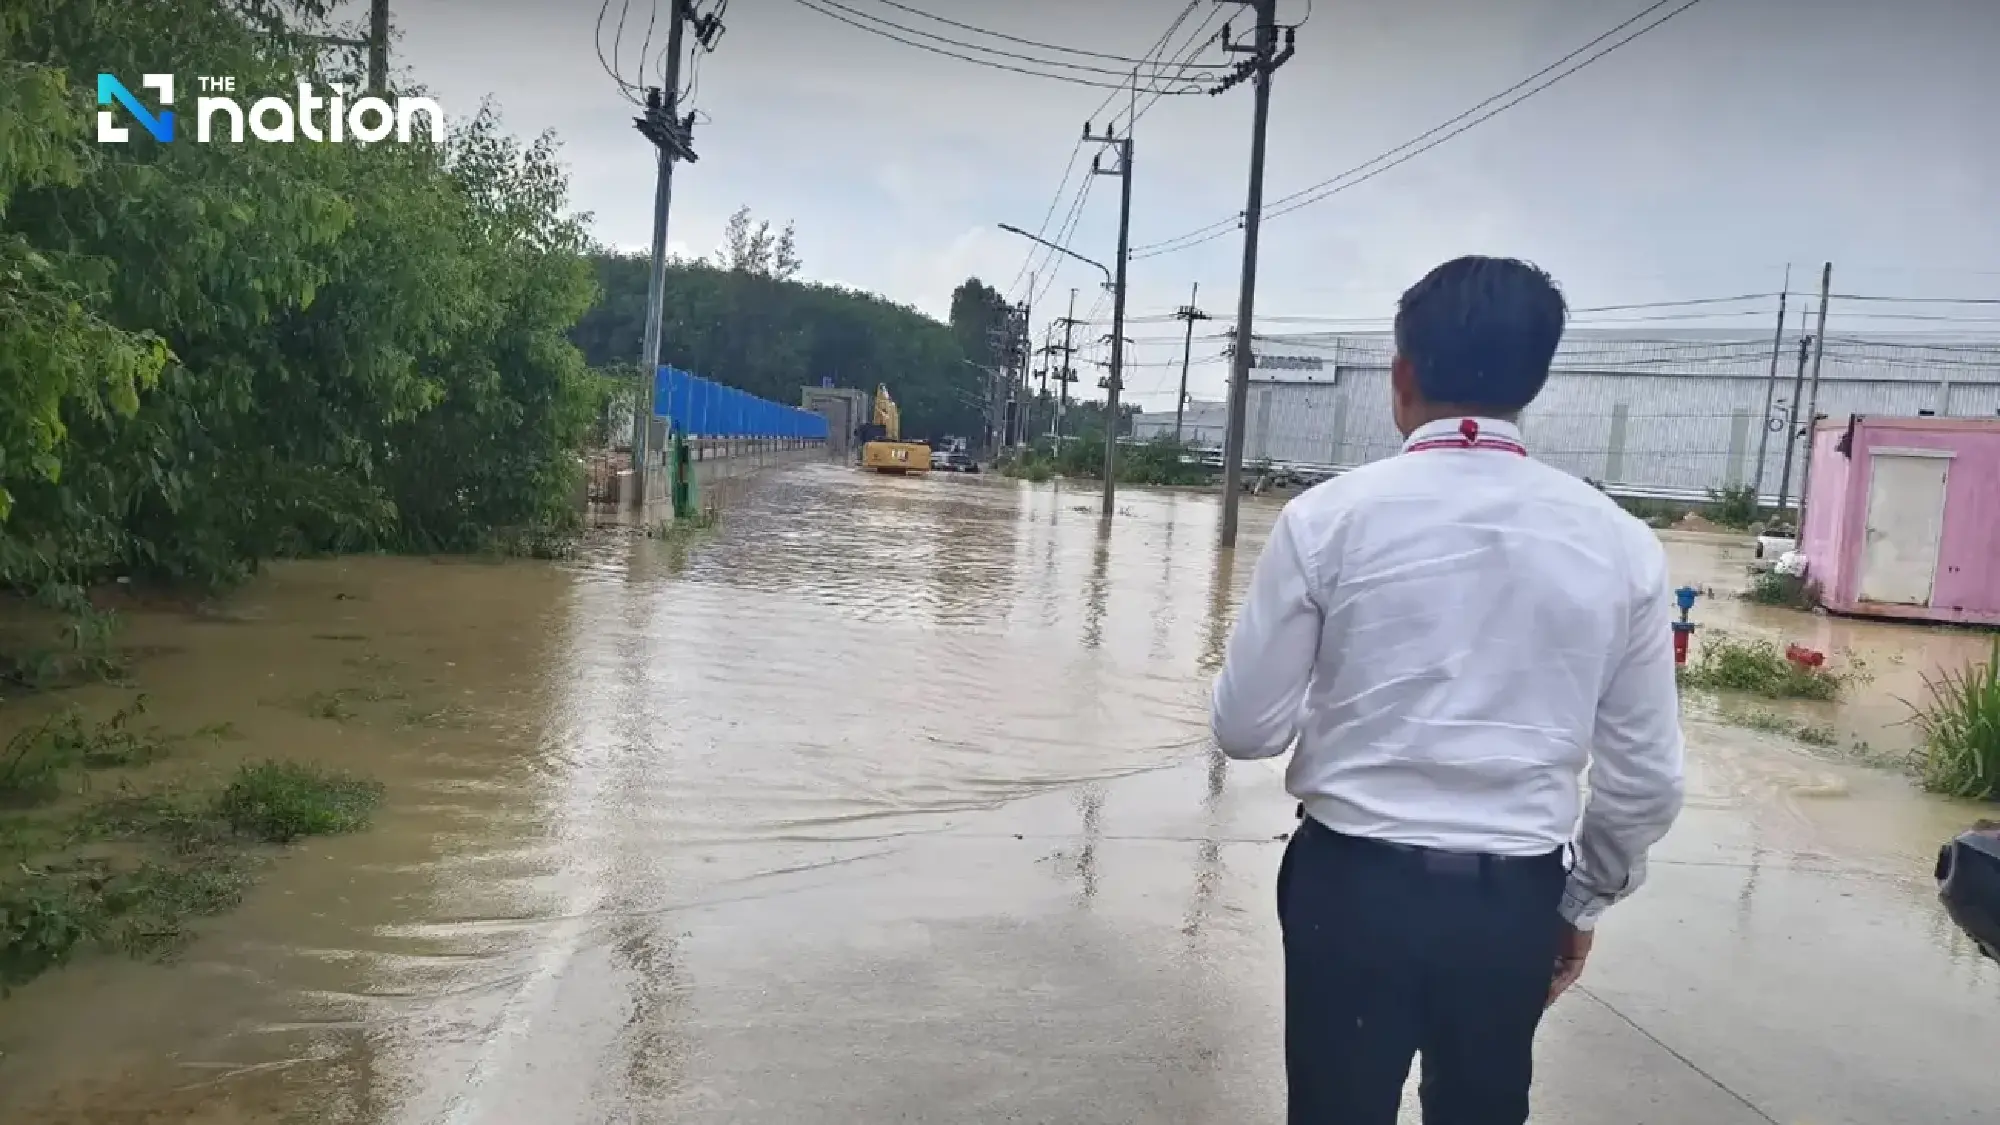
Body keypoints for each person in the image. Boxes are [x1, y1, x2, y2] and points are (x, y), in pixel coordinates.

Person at [1209, 256, 1686, 1125]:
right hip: (1510, 904)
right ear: (1534, 380)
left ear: (1402, 375)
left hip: (1348, 889)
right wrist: (1579, 901)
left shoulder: (1326, 520)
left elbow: (1245, 728)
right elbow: (1646, 779)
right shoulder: (1621, 546)